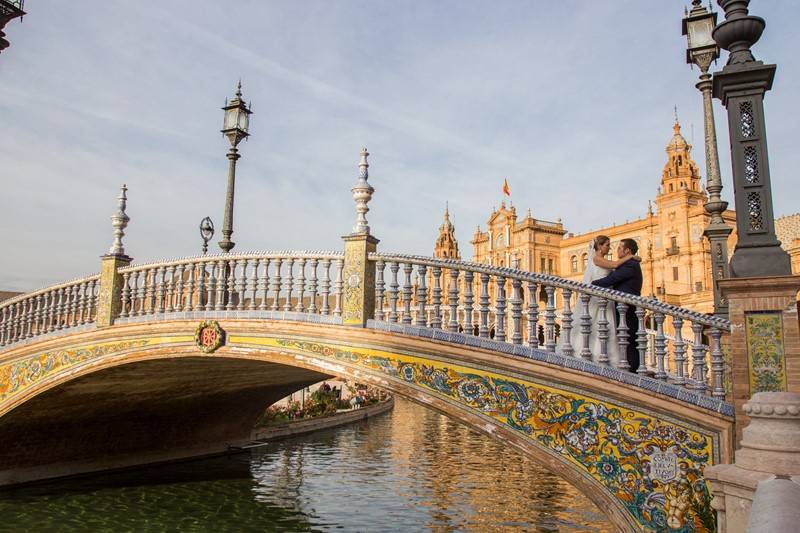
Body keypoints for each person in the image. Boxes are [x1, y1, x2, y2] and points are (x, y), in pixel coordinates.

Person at [563, 235, 638, 366]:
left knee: (604, 328)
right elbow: (614, 265)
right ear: (599, 246)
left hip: (606, 300)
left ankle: (602, 355)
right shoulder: (596, 259)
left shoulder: (603, 260)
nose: (610, 248)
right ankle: (590, 353)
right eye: (607, 245)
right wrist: (630, 257)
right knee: (594, 325)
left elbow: (614, 272)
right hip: (598, 300)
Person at [591, 238, 643, 372]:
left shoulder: (630, 265)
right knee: (625, 337)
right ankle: (630, 367)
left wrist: (591, 285)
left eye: (620, 248)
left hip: (627, 307)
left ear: (627, 251)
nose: (616, 250)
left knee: (629, 337)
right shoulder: (627, 263)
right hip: (621, 307)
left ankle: (632, 370)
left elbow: (611, 279)